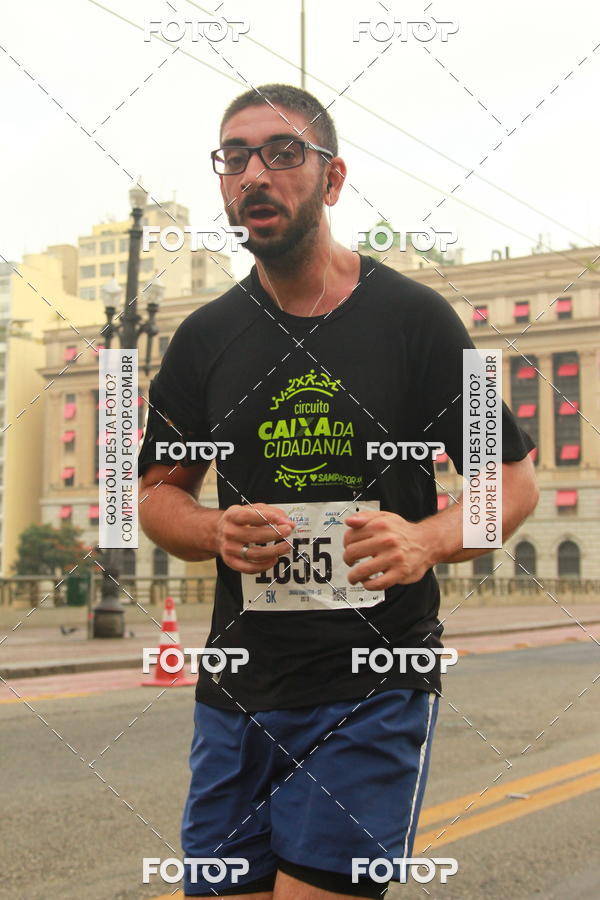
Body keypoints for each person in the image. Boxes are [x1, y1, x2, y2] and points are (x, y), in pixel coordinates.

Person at [138, 83, 538, 899]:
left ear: (333, 177)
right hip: (237, 689)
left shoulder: (415, 320)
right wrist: (212, 530)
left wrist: (426, 539)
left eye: (283, 153)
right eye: (235, 157)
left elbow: (513, 482)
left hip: (372, 684)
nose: (256, 173)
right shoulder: (205, 338)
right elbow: (153, 492)